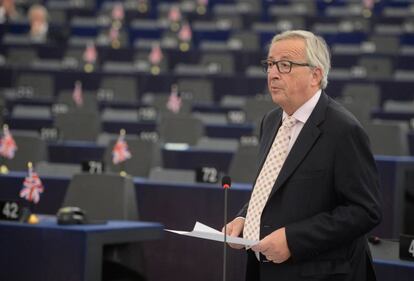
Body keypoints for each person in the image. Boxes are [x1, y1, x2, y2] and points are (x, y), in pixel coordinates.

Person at [223, 30, 382, 281]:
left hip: (319, 272)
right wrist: (246, 217)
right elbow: (272, 186)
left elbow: (365, 210)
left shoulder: (343, 129)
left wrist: (293, 239)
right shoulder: (271, 120)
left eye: (285, 65)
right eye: (270, 64)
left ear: (315, 75)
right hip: (263, 269)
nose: (273, 73)